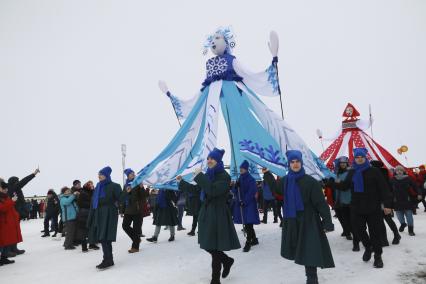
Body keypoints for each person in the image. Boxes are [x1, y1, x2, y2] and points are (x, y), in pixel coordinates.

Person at [274, 150, 334, 284]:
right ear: (289, 164)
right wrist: (266, 173)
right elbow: (276, 189)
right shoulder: (285, 181)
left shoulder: (311, 182)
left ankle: (312, 279)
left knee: (310, 250)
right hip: (292, 220)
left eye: (297, 162)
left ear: (301, 163)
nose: (295, 164)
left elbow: (321, 204)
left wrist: (327, 222)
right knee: (301, 249)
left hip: (309, 220)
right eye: (292, 162)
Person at [185, 148, 240, 284]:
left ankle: (215, 279)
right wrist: (181, 183)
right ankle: (227, 260)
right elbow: (197, 190)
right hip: (207, 213)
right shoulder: (208, 175)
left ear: (218, 161)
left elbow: (213, 190)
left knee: (214, 246)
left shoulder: (224, 176)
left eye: (212, 159)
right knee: (208, 244)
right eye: (208, 158)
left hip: (218, 213)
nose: (209, 161)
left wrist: (200, 176)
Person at [333, 148, 393, 268]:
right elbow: (344, 186)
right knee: (358, 230)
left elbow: (384, 188)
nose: (359, 159)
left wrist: (387, 205)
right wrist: (331, 180)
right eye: (357, 157)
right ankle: (368, 246)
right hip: (356, 206)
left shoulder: (374, 171)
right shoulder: (352, 172)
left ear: (365, 158)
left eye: (361, 157)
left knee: (374, 232)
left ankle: (378, 256)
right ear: (354, 159)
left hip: (373, 207)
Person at [87, 166, 121, 270]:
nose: (99, 177)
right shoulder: (98, 186)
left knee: (106, 237)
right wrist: (91, 215)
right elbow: (93, 202)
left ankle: (108, 260)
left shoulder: (114, 186)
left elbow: (121, 199)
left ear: (106, 176)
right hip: (98, 213)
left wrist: (127, 192)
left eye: (101, 175)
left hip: (109, 213)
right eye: (98, 175)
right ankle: (108, 259)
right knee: (102, 237)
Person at [6, 168, 40, 255]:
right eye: (17, 181)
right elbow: (24, 181)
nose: (18, 182)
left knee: (15, 231)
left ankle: (14, 248)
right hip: (14, 212)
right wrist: (33, 174)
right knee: (11, 231)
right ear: (14, 182)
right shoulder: (13, 187)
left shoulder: (14, 188)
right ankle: (9, 250)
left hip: (16, 212)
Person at [330, 156, 360, 251]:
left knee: (354, 222)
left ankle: (356, 242)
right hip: (340, 201)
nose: (343, 164)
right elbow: (334, 185)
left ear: (347, 163)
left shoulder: (351, 172)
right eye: (341, 163)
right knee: (346, 222)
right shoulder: (337, 173)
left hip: (351, 201)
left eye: (344, 162)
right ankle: (351, 234)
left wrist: (336, 183)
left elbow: (345, 185)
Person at [370, 160, 401, 246]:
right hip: (376, 200)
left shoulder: (382, 174)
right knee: (381, 220)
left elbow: (387, 189)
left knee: (387, 219)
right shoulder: (380, 173)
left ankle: (396, 235)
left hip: (384, 200)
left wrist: (388, 203)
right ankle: (385, 240)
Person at [232, 160, 260, 252]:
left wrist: (244, 201)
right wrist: (236, 186)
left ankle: (248, 241)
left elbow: (251, 192)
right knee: (248, 223)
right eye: (240, 168)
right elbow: (235, 191)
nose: (241, 170)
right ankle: (254, 239)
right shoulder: (239, 178)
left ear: (246, 169)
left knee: (248, 223)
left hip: (249, 204)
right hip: (242, 204)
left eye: (243, 168)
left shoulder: (251, 179)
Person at [391, 165, 422, 236]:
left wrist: (419, 193)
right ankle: (403, 224)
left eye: (401, 170)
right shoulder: (392, 179)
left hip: (407, 200)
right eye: (397, 170)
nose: (399, 172)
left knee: (409, 216)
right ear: (395, 172)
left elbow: (415, 186)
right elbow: (389, 190)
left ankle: (411, 230)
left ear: (403, 171)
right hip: (397, 201)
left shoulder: (408, 178)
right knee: (399, 216)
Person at [121, 168, 144, 253]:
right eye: (131, 173)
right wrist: (122, 210)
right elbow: (123, 197)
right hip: (128, 209)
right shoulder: (126, 185)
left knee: (136, 228)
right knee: (125, 226)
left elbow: (144, 196)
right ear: (128, 175)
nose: (133, 174)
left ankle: (135, 247)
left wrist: (142, 188)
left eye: (133, 173)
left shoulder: (138, 183)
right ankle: (137, 239)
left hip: (137, 209)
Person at [0, 180, 22, 265]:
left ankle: (4, 258)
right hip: (3, 223)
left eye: (6, 188)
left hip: (8, 222)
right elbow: (2, 208)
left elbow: (10, 208)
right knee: (2, 242)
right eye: (4, 188)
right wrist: (11, 201)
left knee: (7, 241)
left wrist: (16, 215)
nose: (6, 190)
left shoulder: (6, 196)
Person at [75, 181, 99, 252]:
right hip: (84, 213)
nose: (92, 186)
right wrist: (91, 204)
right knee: (84, 230)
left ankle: (92, 244)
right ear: (87, 186)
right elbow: (80, 203)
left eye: (92, 185)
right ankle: (84, 247)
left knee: (91, 228)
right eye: (90, 185)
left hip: (89, 212)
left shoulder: (91, 192)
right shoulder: (83, 193)